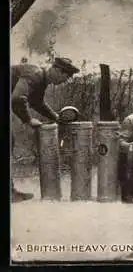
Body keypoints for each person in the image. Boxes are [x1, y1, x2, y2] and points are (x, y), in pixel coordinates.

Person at [11, 57, 80, 202]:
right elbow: (18, 98)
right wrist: (28, 119)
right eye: (65, 76)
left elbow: (37, 102)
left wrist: (56, 117)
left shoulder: (41, 80)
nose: (65, 80)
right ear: (55, 70)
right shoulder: (35, 74)